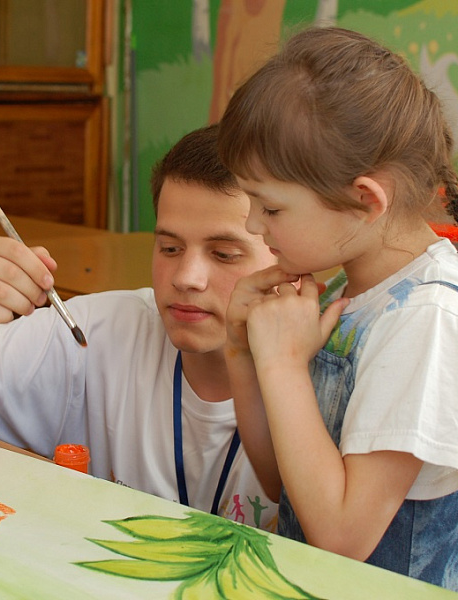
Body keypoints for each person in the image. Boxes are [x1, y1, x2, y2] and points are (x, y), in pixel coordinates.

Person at [0, 125, 278, 530]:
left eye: (223, 254)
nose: (186, 277)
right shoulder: (99, 331)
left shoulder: (330, 372)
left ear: (290, 261)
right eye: (169, 248)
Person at [218, 26, 458, 590]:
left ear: (365, 200)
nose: (253, 225)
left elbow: (343, 537)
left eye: (270, 206)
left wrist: (280, 364)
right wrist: (242, 351)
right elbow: (284, 483)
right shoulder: (342, 288)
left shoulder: (426, 319)